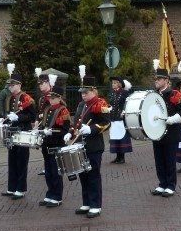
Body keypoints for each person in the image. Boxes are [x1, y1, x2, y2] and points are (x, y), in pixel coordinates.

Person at [64, 70, 110, 218]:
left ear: (93, 91)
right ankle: (87, 203)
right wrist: (70, 133)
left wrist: (91, 129)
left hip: (94, 146)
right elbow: (76, 123)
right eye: (82, 93)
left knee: (93, 175)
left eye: (86, 92)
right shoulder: (81, 105)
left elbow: (106, 123)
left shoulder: (100, 104)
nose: (83, 95)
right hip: (80, 145)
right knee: (83, 175)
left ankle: (96, 205)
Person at [150, 67, 181, 197]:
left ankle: (171, 185)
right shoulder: (153, 95)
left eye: (159, 79)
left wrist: (174, 119)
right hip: (157, 133)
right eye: (156, 79)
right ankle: (162, 184)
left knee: (170, 161)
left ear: (166, 80)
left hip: (171, 133)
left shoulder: (174, 94)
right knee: (159, 160)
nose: (156, 81)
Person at [0, 73, 36, 199]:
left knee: (21, 161)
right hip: (12, 132)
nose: (10, 86)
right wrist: (4, 119)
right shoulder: (9, 98)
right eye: (9, 85)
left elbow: (32, 116)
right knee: (12, 160)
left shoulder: (26, 98)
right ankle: (12, 188)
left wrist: (18, 117)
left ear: (19, 85)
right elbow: (9, 114)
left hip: (23, 132)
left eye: (13, 84)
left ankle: (21, 189)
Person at [37, 74, 70, 207]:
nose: (51, 100)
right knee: (48, 172)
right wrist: (40, 131)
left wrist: (51, 132)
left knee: (55, 171)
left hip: (56, 144)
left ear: (59, 98)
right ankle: (50, 194)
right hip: (47, 144)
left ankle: (57, 197)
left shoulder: (63, 111)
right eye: (50, 98)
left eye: (54, 98)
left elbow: (65, 130)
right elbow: (44, 124)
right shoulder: (48, 109)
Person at [108, 76, 132, 164]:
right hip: (113, 118)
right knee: (115, 136)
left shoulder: (125, 92)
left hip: (121, 118)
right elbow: (110, 104)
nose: (113, 84)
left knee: (121, 137)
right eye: (112, 83)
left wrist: (124, 111)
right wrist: (108, 108)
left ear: (119, 84)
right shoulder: (112, 93)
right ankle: (117, 157)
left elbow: (128, 103)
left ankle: (122, 157)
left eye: (115, 83)